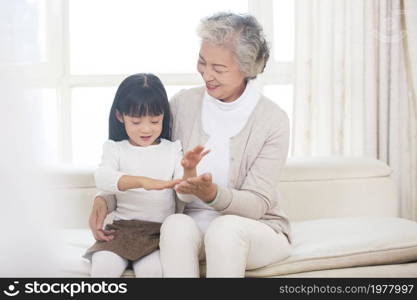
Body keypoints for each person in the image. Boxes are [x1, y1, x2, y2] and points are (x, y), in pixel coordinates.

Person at [91, 12, 292, 277]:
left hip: (256, 230)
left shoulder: (272, 120)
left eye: (218, 69)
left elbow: (257, 204)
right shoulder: (182, 105)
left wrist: (212, 194)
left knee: (225, 230)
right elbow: (146, 158)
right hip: (194, 228)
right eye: (202, 62)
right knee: (175, 223)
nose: (206, 74)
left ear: (246, 69)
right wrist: (105, 200)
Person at [85, 73, 209, 277]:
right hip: (121, 230)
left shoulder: (172, 150)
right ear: (120, 116)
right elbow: (103, 178)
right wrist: (144, 182)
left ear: (163, 116)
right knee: (103, 267)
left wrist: (189, 171)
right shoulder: (115, 148)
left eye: (155, 121)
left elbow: (185, 196)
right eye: (135, 122)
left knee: (152, 272)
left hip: (157, 234)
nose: (146, 129)